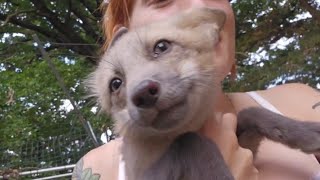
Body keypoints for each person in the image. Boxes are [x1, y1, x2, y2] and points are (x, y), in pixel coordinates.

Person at [72, 0, 320, 179]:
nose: (199, 5)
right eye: (162, 0)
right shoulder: (97, 169)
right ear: (123, 31)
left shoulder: (302, 100)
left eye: (161, 47)